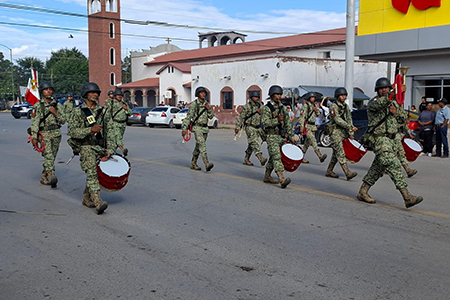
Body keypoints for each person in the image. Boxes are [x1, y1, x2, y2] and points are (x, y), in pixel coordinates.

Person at [357, 77, 423, 208]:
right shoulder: (374, 102)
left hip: (392, 140)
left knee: (377, 168)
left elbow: (403, 118)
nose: (384, 90)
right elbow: (381, 103)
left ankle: (363, 191)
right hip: (380, 139)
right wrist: (395, 91)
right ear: (377, 90)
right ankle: (407, 196)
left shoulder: (394, 102)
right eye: (381, 88)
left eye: (386, 88)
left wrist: (397, 110)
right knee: (392, 164)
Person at [68, 82, 115, 214]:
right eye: (92, 92)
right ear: (85, 95)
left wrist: (110, 150)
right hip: (86, 147)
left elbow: (110, 132)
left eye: (97, 93)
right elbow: (72, 131)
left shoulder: (104, 111)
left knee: (97, 175)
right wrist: (90, 130)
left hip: (100, 147)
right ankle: (98, 201)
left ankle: (86, 197)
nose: (95, 94)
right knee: (92, 173)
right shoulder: (78, 112)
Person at [30, 81, 66, 188]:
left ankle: (43, 176)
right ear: (42, 92)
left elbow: (63, 120)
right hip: (44, 133)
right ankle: (52, 175)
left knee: (52, 157)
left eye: (50, 89)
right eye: (46, 89)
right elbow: (35, 122)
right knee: (49, 155)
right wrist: (34, 137)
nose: (48, 91)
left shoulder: (58, 105)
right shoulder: (38, 106)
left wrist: (55, 113)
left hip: (56, 133)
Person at [261, 85, 297, 188]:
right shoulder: (267, 108)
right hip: (271, 136)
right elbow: (265, 122)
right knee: (277, 157)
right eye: (277, 94)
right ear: (272, 95)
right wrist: (277, 120)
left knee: (274, 157)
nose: (279, 96)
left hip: (280, 136)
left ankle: (267, 176)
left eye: (280, 94)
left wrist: (291, 137)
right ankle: (282, 179)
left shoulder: (282, 108)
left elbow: (287, 123)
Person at [325, 88, 358, 180]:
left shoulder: (346, 107)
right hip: (335, 132)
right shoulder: (333, 107)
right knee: (340, 152)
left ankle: (329, 171)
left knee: (336, 154)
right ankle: (347, 172)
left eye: (345, 95)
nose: (344, 97)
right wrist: (349, 127)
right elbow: (337, 120)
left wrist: (351, 132)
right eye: (342, 95)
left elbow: (349, 119)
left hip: (342, 132)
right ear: (337, 96)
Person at [182, 86, 215, 172]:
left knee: (198, 146)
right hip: (197, 127)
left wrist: (209, 109)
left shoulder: (207, 104)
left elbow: (211, 116)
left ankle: (193, 163)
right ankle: (206, 163)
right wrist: (184, 128)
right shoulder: (194, 104)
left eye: (204, 93)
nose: (203, 94)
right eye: (201, 93)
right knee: (202, 145)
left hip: (205, 128)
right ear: (197, 94)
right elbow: (189, 117)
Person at [234, 91, 267, 166]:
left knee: (251, 144)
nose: (257, 98)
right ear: (251, 98)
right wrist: (237, 127)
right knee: (255, 143)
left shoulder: (260, 106)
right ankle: (260, 158)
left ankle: (246, 159)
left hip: (258, 127)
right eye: (255, 97)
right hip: (250, 127)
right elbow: (240, 117)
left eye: (258, 97)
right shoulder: (247, 106)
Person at [298, 92, 327, 164]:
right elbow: (302, 117)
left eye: (314, 97)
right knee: (313, 140)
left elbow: (319, 114)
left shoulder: (314, 105)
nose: (313, 99)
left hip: (313, 126)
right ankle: (320, 155)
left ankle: (300, 157)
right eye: (312, 97)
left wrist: (316, 110)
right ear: (309, 98)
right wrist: (301, 127)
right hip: (307, 126)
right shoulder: (305, 106)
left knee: (307, 143)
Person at [394, 104, 417, 177]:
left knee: (399, 154)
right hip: (393, 137)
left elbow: (405, 126)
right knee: (398, 154)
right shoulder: (393, 115)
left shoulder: (401, 114)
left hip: (398, 137)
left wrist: (409, 133)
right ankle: (407, 170)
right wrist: (404, 122)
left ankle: (408, 170)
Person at [108, 88, 132, 156]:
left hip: (123, 124)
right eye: (118, 95)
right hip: (115, 123)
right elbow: (107, 113)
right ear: (115, 96)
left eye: (121, 95)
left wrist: (126, 109)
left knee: (119, 138)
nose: (120, 96)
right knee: (118, 138)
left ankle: (113, 151)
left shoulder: (124, 104)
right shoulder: (112, 104)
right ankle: (123, 150)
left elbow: (130, 113)